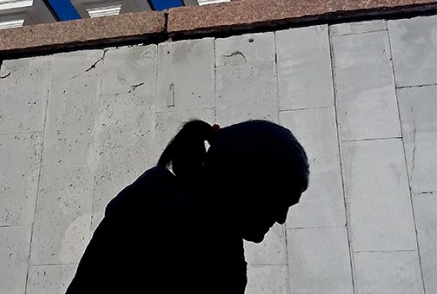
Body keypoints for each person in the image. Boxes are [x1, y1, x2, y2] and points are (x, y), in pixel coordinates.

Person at [66, 119, 309, 294]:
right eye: (278, 199)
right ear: (242, 182)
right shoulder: (162, 223)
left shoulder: (213, 236)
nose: (281, 218)